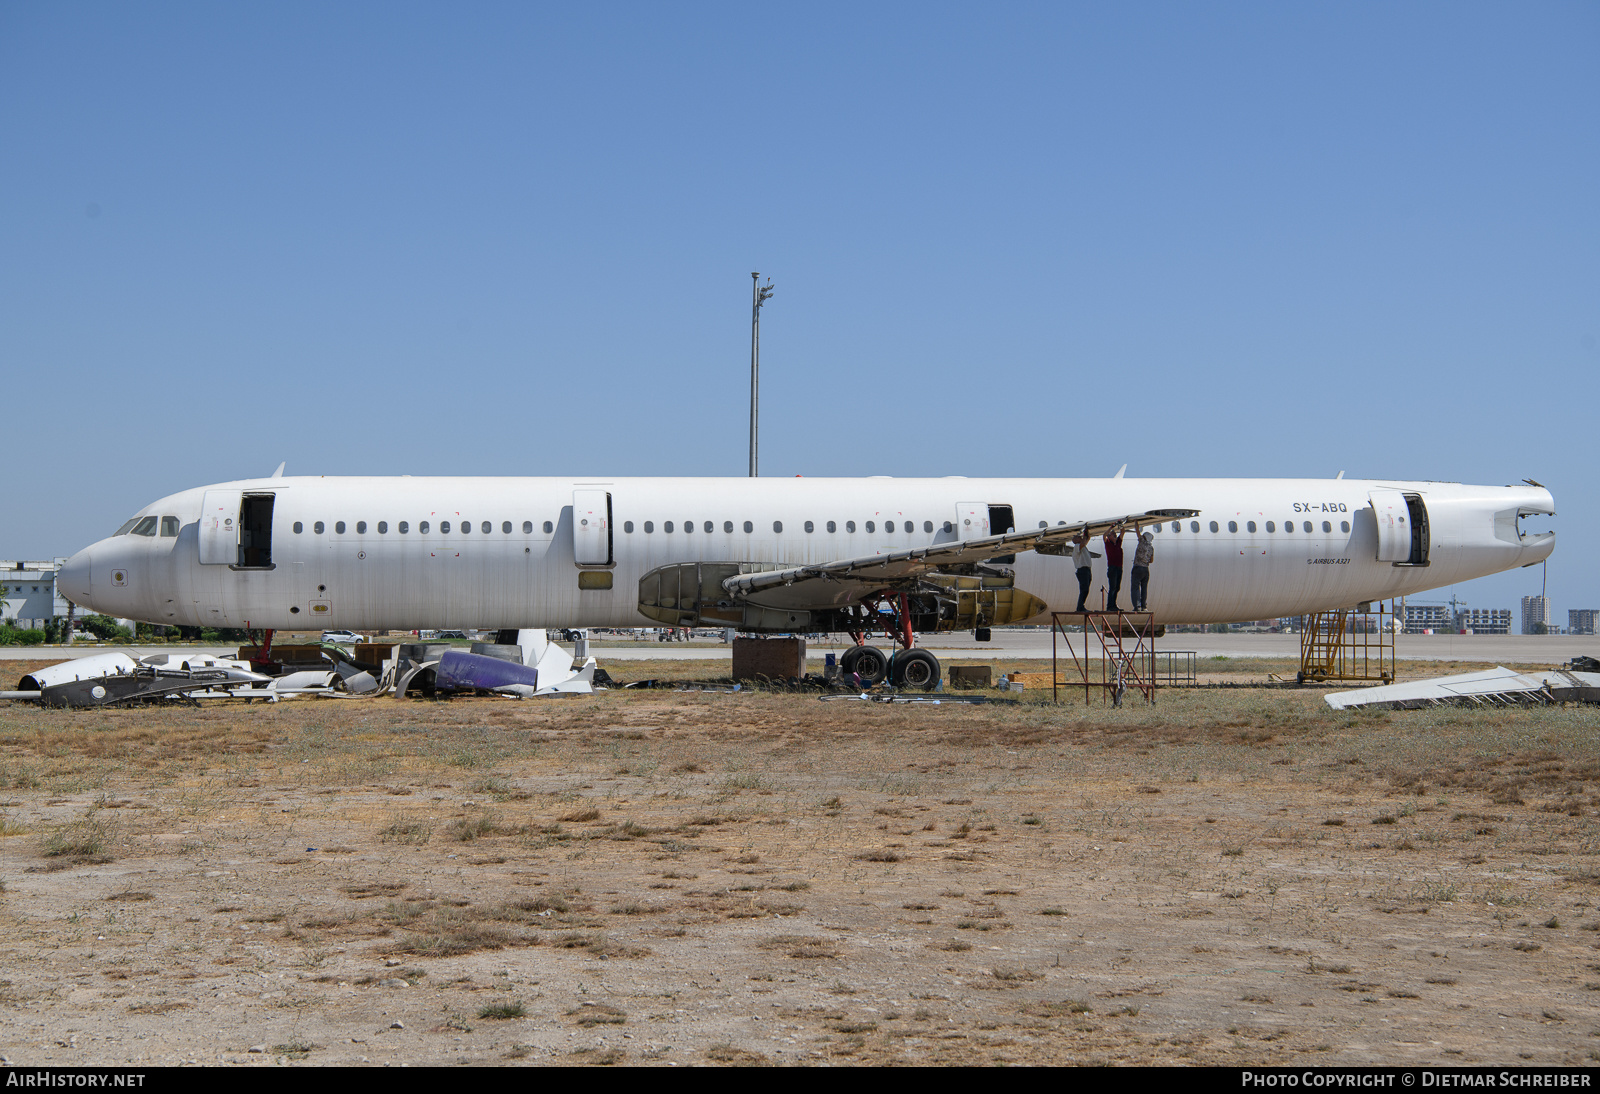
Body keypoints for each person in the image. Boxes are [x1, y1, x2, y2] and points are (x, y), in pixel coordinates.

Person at [1103, 525, 1126, 612]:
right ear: (1109, 536)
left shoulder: (1118, 543)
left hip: (1119, 568)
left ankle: (1114, 604)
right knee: (1112, 587)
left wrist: (1121, 525)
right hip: (1112, 568)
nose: (1115, 535)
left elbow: (1122, 532)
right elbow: (1104, 536)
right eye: (1113, 534)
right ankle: (1110, 605)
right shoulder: (1108, 543)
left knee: (1117, 587)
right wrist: (1110, 528)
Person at [1131, 529, 1154, 611]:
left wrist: (1136, 524)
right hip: (1145, 569)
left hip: (1137, 567)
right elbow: (1151, 560)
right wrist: (1145, 560)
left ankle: (1137, 606)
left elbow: (1137, 532)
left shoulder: (1141, 543)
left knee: (1135, 587)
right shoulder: (1151, 548)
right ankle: (1144, 606)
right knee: (1144, 588)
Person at [1071, 531, 1093, 612]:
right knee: (1084, 589)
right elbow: (1084, 541)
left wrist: (1087, 532)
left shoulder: (1083, 547)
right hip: (1082, 570)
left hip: (1087, 569)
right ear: (1075, 540)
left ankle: (1081, 606)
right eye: (1078, 537)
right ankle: (1080, 607)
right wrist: (1084, 534)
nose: (1079, 537)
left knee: (1086, 589)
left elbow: (1087, 539)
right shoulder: (1077, 546)